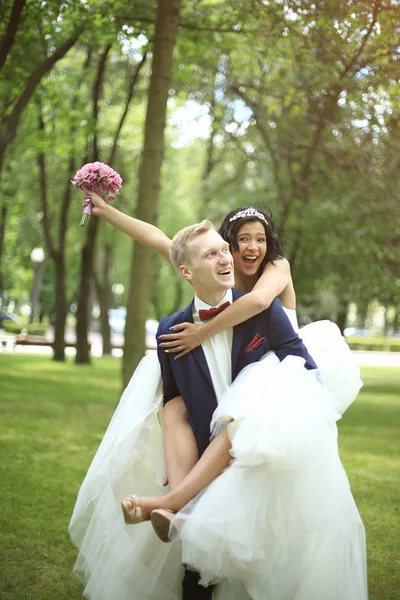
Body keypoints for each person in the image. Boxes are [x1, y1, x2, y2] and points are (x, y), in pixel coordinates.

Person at [120, 220, 367, 599]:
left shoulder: (265, 312)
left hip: (262, 457)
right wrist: (175, 459)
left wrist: (267, 417)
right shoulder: (170, 328)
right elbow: (175, 401)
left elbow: (309, 376)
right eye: (212, 253)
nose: (225, 258)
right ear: (185, 271)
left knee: (262, 574)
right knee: (197, 574)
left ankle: (175, 505)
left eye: (224, 249)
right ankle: (182, 511)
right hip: (203, 456)